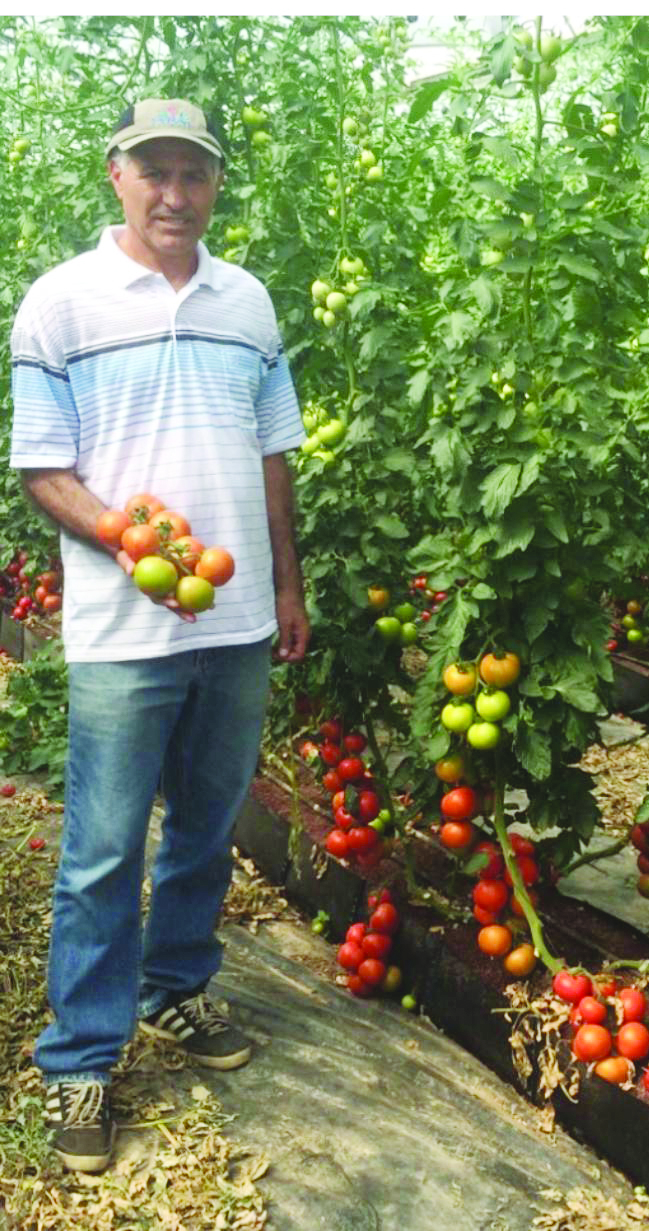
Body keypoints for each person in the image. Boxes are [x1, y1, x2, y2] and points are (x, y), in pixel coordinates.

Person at [7, 98, 310, 1173]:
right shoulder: (60, 305)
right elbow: (44, 467)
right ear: (117, 175)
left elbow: (275, 452)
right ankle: (81, 1061)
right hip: (122, 625)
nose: (175, 193)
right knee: (100, 846)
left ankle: (174, 989)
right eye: (155, 172)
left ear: (215, 183)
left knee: (207, 823)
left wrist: (284, 585)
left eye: (195, 173)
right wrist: (133, 541)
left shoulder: (249, 303)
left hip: (233, 617)